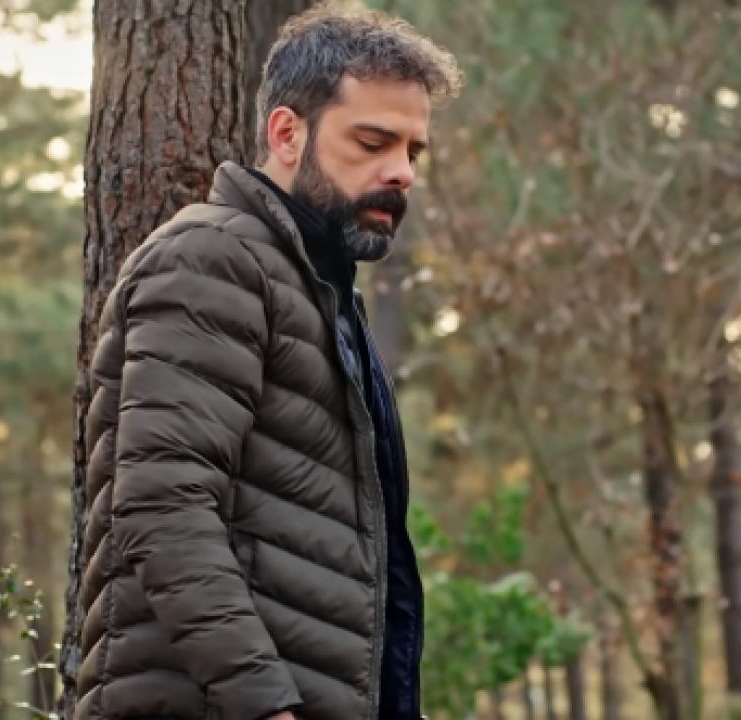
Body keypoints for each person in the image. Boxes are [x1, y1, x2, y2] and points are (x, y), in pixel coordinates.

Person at [73, 6, 462, 720]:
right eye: (373, 142)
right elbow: (163, 506)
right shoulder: (212, 259)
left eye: (414, 152)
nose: (401, 172)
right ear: (287, 134)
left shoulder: (324, 295)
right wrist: (264, 706)